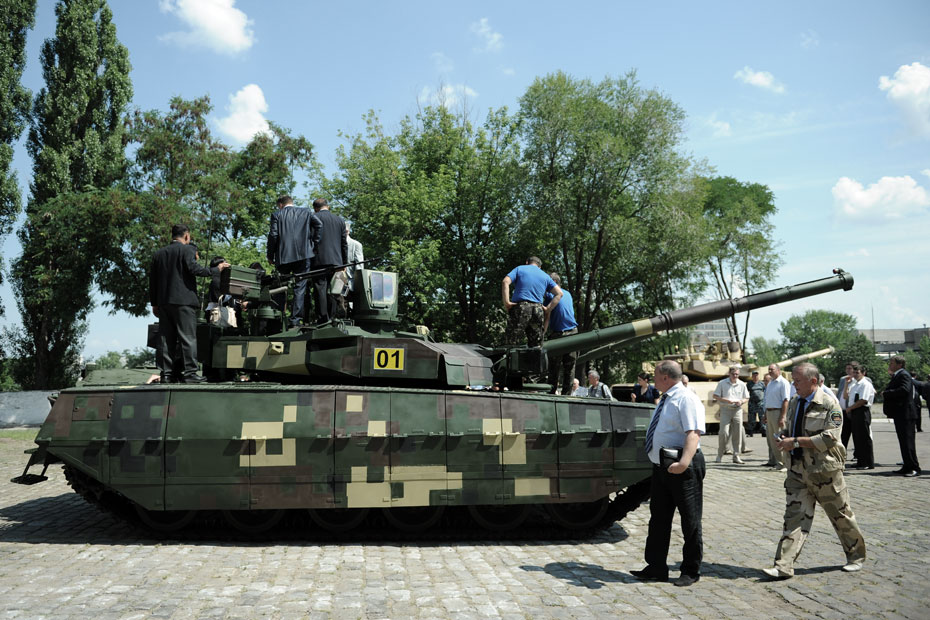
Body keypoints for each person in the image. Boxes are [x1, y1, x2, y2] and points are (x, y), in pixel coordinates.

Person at [761, 363, 866, 579]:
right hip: (798, 471)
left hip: (824, 472)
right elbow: (792, 429)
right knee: (794, 518)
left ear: (813, 381)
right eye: (794, 381)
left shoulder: (830, 404)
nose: (794, 385)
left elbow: (830, 438)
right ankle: (783, 566)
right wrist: (784, 437)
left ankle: (856, 556)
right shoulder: (795, 403)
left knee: (841, 516)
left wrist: (796, 442)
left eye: (798, 381)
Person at [631, 359, 706, 587]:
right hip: (664, 466)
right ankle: (656, 567)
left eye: (655, 376)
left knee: (690, 520)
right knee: (659, 519)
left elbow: (693, 433)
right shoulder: (666, 398)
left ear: (665, 377)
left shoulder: (686, 398)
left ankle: (690, 570)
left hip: (683, 466)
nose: (652, 380)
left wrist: (684, 463)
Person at [149, 224, 229, 383]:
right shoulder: (187, 249)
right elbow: (195, 269)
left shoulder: (159, 254)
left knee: (166, 339)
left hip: (164, 302)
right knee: (188, 338)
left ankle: (166, 375)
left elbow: (153, 281)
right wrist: (216, 269)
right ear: (186, 236)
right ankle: (190, 374)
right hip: (184, 301)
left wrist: (154, 303)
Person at [267, 195, 322, 328]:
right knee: (300, 288)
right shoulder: (306, 212)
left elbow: (273, 235)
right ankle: (295, 320)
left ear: (280, 204)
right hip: (304, 256)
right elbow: (319, 225)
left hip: (283, 256)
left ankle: (278, 318)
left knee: (280, 288)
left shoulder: (277, 215)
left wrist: (270, 255)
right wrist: (314, 245)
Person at [502, 256, 562, 347]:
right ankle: (534, 361)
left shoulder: (520, 269)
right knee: (536, 346)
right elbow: (559, 293)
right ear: (539, 267)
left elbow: (505, 281)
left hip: (521, 307)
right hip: (538, 309)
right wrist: (547, 309)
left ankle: (508, 359)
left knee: (511, 341)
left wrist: (506, 302)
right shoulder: (545, 276)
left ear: (527, 262)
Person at [311, 198, 349, 323]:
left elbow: (310, 240)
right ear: (328, 206)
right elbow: (344, 243)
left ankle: (322, 318)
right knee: (335, 288)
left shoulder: (313, 218)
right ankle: (332, 316)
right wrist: (344, 262)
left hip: (318, 260)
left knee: (320, 288)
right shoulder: (339, 220)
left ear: (315, 208)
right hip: (336, 260)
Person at [882, 355, 921, 477]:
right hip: (900, 414)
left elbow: (904, 390)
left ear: (899, 364)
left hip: (906, 414)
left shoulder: (904, 374)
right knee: (903, 442)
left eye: (892, 363)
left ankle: (914, 467)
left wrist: (887, 393)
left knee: (908, 442)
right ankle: (907, 465)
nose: (890, 365)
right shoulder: (898, 375)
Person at [544, 273, 578, 395]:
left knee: (554, 367)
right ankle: (566, 394)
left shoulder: (550, 294)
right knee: (569, 366)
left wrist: (543, 333)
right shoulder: (567, 293)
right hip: (572, 332)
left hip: (558, 334)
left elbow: (547, 315)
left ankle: (551, 392)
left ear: (552, 282)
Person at [713, 366, 750, 464]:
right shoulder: (722, 383)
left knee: (737, 433)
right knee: (723, 433)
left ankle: (736, 456)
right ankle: (720, 454)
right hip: (725, 409)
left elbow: (747, 397)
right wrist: (726, 400)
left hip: (737, 410)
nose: (735, 376)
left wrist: (741, 401)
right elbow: (715, 395)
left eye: (737, 374)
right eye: (733, 374)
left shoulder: (742, 384)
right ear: (729, 374)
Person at [846, 364, 875, 469]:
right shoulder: (855, 384)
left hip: (862, 411)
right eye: (854, 372)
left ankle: (868, 462)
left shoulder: (865, 384)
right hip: (855, 412)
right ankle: (861, 461)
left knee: (864, 437)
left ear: (863, 373)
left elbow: (863, 400)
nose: (855, 374)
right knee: (857, 438)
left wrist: (850, 408)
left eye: (857, 372)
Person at [763, 363, 791, 471]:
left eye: (772, 369)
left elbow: (786, 400)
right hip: (770, 412)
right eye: (769, 369)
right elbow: (767, 400)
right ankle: (779, 462)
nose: (770, 371)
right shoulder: (770, 383)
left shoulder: (783, 383)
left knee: (780, 438)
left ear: (778, 370)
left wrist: (782, 416)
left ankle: (785, 463)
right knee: (772, 440)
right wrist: (765, 415)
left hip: (778, 412)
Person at [837, 362, 855, 450]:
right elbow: (840, 392)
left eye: (850, 368)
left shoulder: (858, 380)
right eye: (846, 368)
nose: (848, 370)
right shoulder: (843, 379)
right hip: (842, 410)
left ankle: (857, 454)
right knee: (843, 433)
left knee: (856, 434)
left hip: (851, 410)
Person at [345, 221, 364, 293]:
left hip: (350, 283)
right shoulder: (335, 244)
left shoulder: (356, 245)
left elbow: (359, 266)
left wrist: (358, 285)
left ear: (348, 231)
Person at [746, 370, 766, 437]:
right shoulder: (749, 384)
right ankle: (750, 432)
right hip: (752, 403)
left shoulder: (762, 383)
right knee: (751, 418)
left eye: (756, 375)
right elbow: (746, 392)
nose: (755, 376)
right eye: (754, 375)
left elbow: (765, 391)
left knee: (762, 418)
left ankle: (764, 431)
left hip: (761, 403)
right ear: (752, 376)